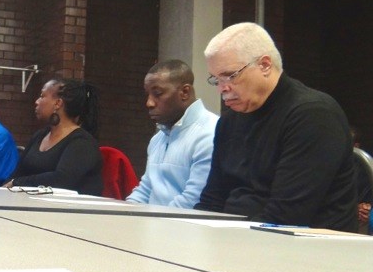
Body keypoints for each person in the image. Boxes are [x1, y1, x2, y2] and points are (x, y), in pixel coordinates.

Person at [194, 22, 357, 232]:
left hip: (307, 249)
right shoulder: (230, 121)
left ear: (264, 65)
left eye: (230, 75)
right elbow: (212, 199)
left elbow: (287, 215)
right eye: (216, 79)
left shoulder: (313, 115)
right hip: (245, 238)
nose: (222, 88)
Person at [126, 60, 218, 207]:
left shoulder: (211, 133)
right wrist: (125, 214)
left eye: (157, 94)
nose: (149, 103)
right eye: (148, 94)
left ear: (185, 92)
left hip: (185, 227)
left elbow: (193, 201)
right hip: (155, 224)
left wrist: (147, 224)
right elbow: (145, 191)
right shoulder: (158, 139)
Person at [3, 79, 103, 195]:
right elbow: (17, 173)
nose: (37, 101)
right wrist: (3, 189)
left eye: (42, 96)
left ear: (58, 103)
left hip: (68, 209)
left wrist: (17, 183)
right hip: (34, 204)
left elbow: (62, 179)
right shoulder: (40, 136)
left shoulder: (82, 142)